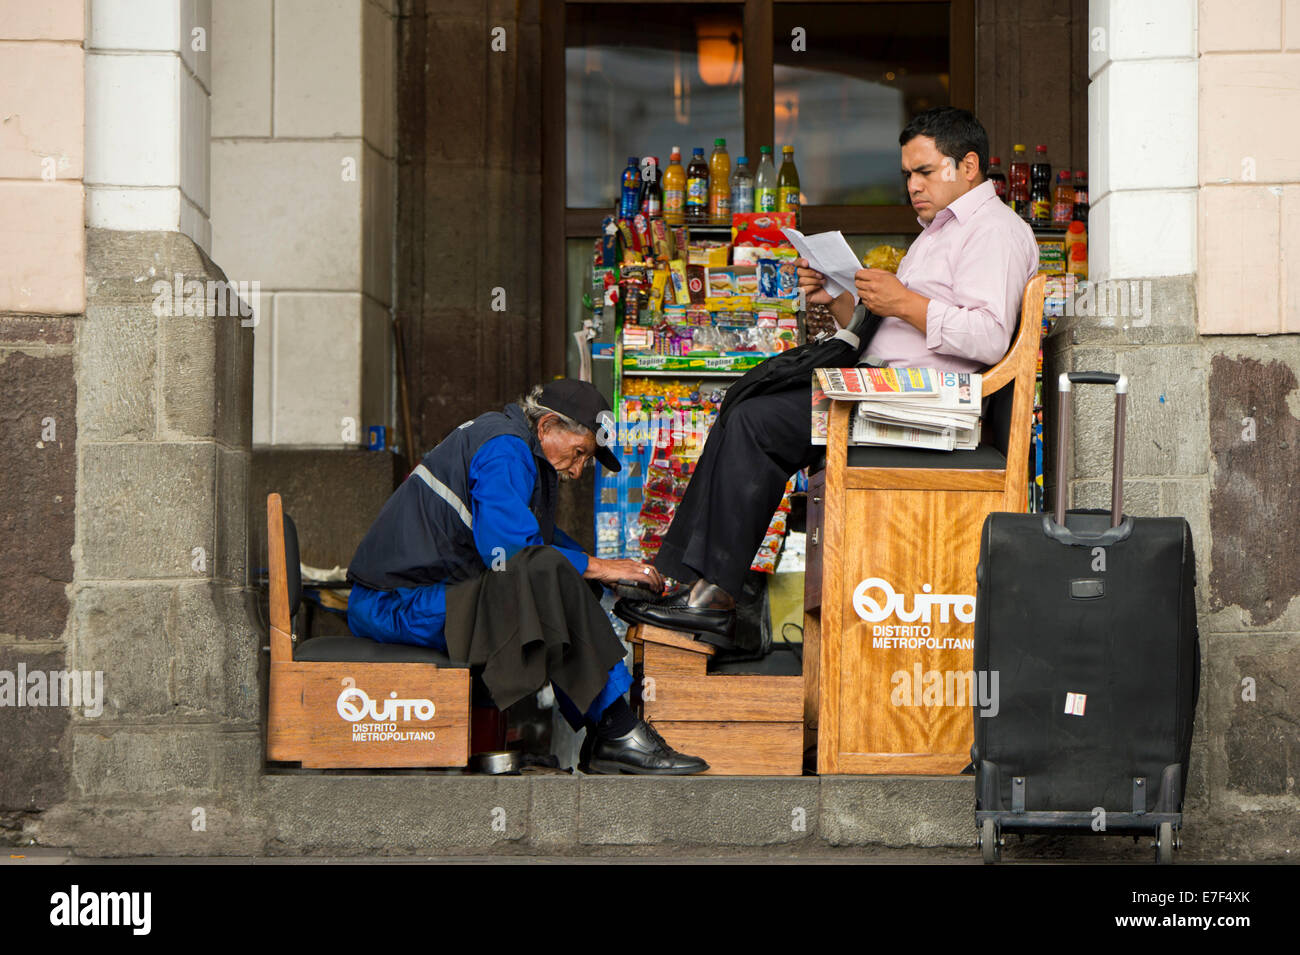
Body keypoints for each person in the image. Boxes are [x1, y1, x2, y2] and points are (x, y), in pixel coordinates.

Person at [616, 107, 1039, 643]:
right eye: (907, 174)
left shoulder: (992, 231)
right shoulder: (939, 232)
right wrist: (838, 299)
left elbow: (988, 336)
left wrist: (904, 300)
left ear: (969, 165)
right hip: (887, 385)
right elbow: (892, 331)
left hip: (924, 402)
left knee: (756, 421)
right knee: (746, 401)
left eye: (925, 172)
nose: (913, 186)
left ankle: (715, 596)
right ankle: (685, 578)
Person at [345, 378, 708, 774]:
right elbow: (511, 553)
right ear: (548, 426)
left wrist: (602, 570)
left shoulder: (518, 446)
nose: (578, 469)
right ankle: (618, 732)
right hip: (393, 605)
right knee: (546, 578)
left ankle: (607, 734)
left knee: (561, 574)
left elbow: (543, 542)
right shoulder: (505, 448)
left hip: (426, 597)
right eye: (580, 452)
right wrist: (599, 566)